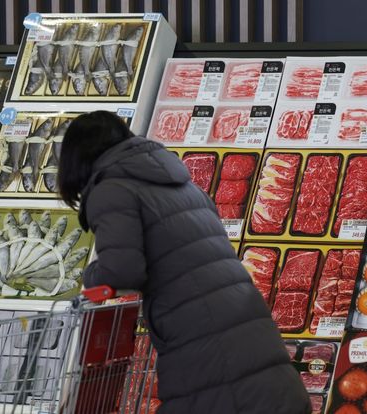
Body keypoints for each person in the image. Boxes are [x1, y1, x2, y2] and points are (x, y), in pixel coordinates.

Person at [58, 111, 311, 414]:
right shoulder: (184, 185)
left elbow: (122, 270)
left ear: (75, 158)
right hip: (243, 319)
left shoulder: (111, 190)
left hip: (198, 333)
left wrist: (90, 278)